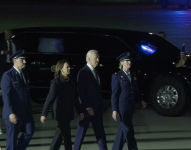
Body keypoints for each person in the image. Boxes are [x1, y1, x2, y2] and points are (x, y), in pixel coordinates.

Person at [40, 59, 84, 150]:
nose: (69, 68)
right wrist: (44, 114)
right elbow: (49, 99)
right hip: (60, 113)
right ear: (61, 69)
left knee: (60, 135)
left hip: (68, 112)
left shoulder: (71, 81)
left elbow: (74, 97)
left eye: (69, 67)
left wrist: (79, 111)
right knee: (67, 136)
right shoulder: (56, 82)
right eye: (66, 67)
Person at [111, 52, 146, 150]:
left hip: (130, 107)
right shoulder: (117, 76)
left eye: (130, 60)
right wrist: (114, 110)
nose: (129, 62)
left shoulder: (133, 75)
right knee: (129, 131)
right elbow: (114, 94)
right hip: (122, 109)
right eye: (127, 61)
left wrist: (141, 100)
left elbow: (136, 90)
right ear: (121, 62)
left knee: (123, 131)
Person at [73, 50, 108, 150]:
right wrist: (88, 107)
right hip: (87, 109)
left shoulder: (95, 72)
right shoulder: (83, 72)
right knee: (81, 134)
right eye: (96, 58)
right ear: (88, 59)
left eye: (98, 58)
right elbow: (81, 92)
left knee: (100, 134)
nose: (98, 60)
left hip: (97, 109)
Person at [1, 50, 35, 150]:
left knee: (29, 131)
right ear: (15, 60)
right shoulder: (8, 75)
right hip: (13, 112)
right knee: (12, 140)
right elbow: (6, 96)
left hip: (25, 111)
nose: (25, 62)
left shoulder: (24, 74)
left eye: (24, 59)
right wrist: (11, 113)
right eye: (22, 59)